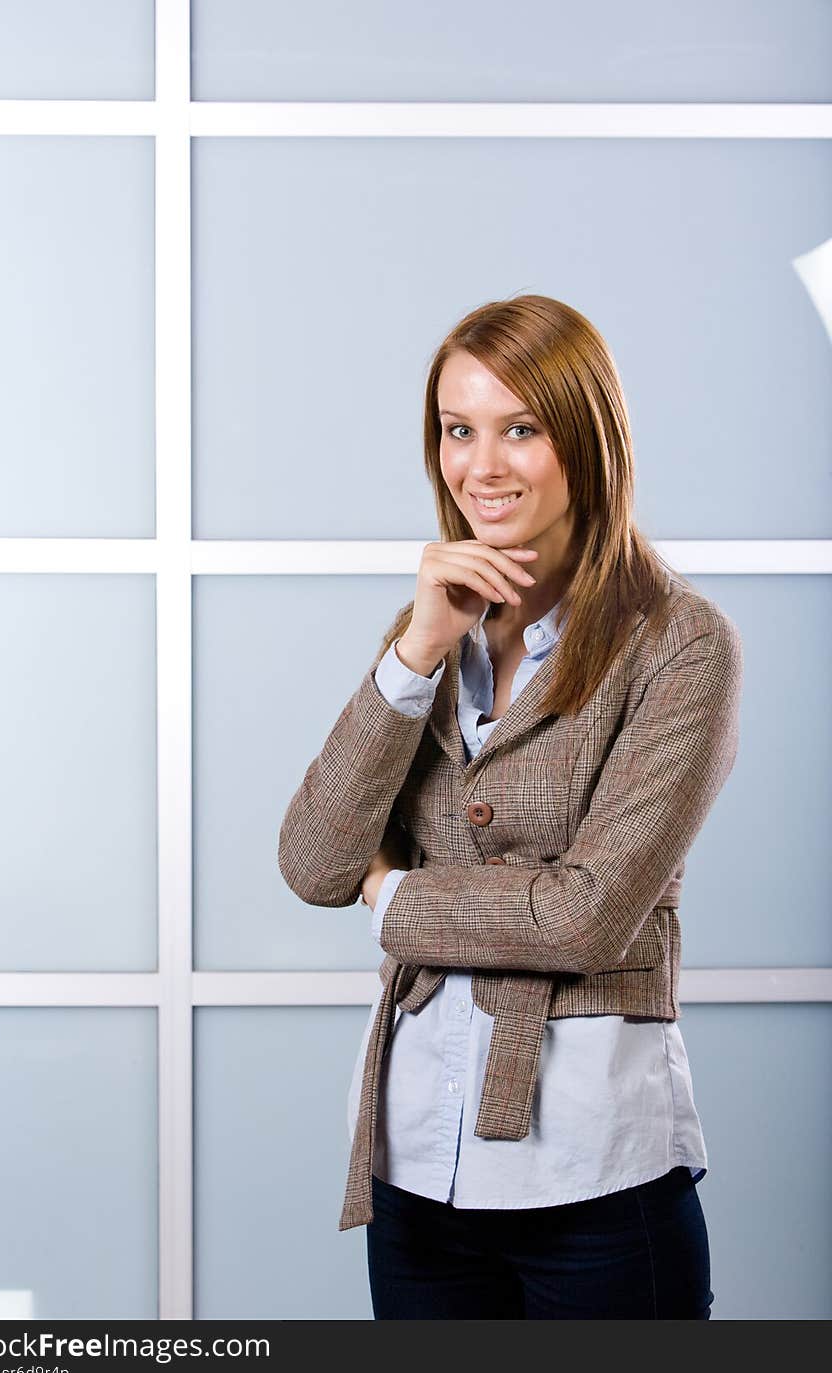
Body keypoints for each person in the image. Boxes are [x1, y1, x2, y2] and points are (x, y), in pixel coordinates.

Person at [278, 294, 743, 1319]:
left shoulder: (680, 643)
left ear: (584, 436)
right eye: (458, 430)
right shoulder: (429, 627)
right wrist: (415, 653)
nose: (480, 465)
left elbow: (584, 914)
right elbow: (314, 864)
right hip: (413, 1172)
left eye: (519, 428)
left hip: (593, 1175)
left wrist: (395, 897)